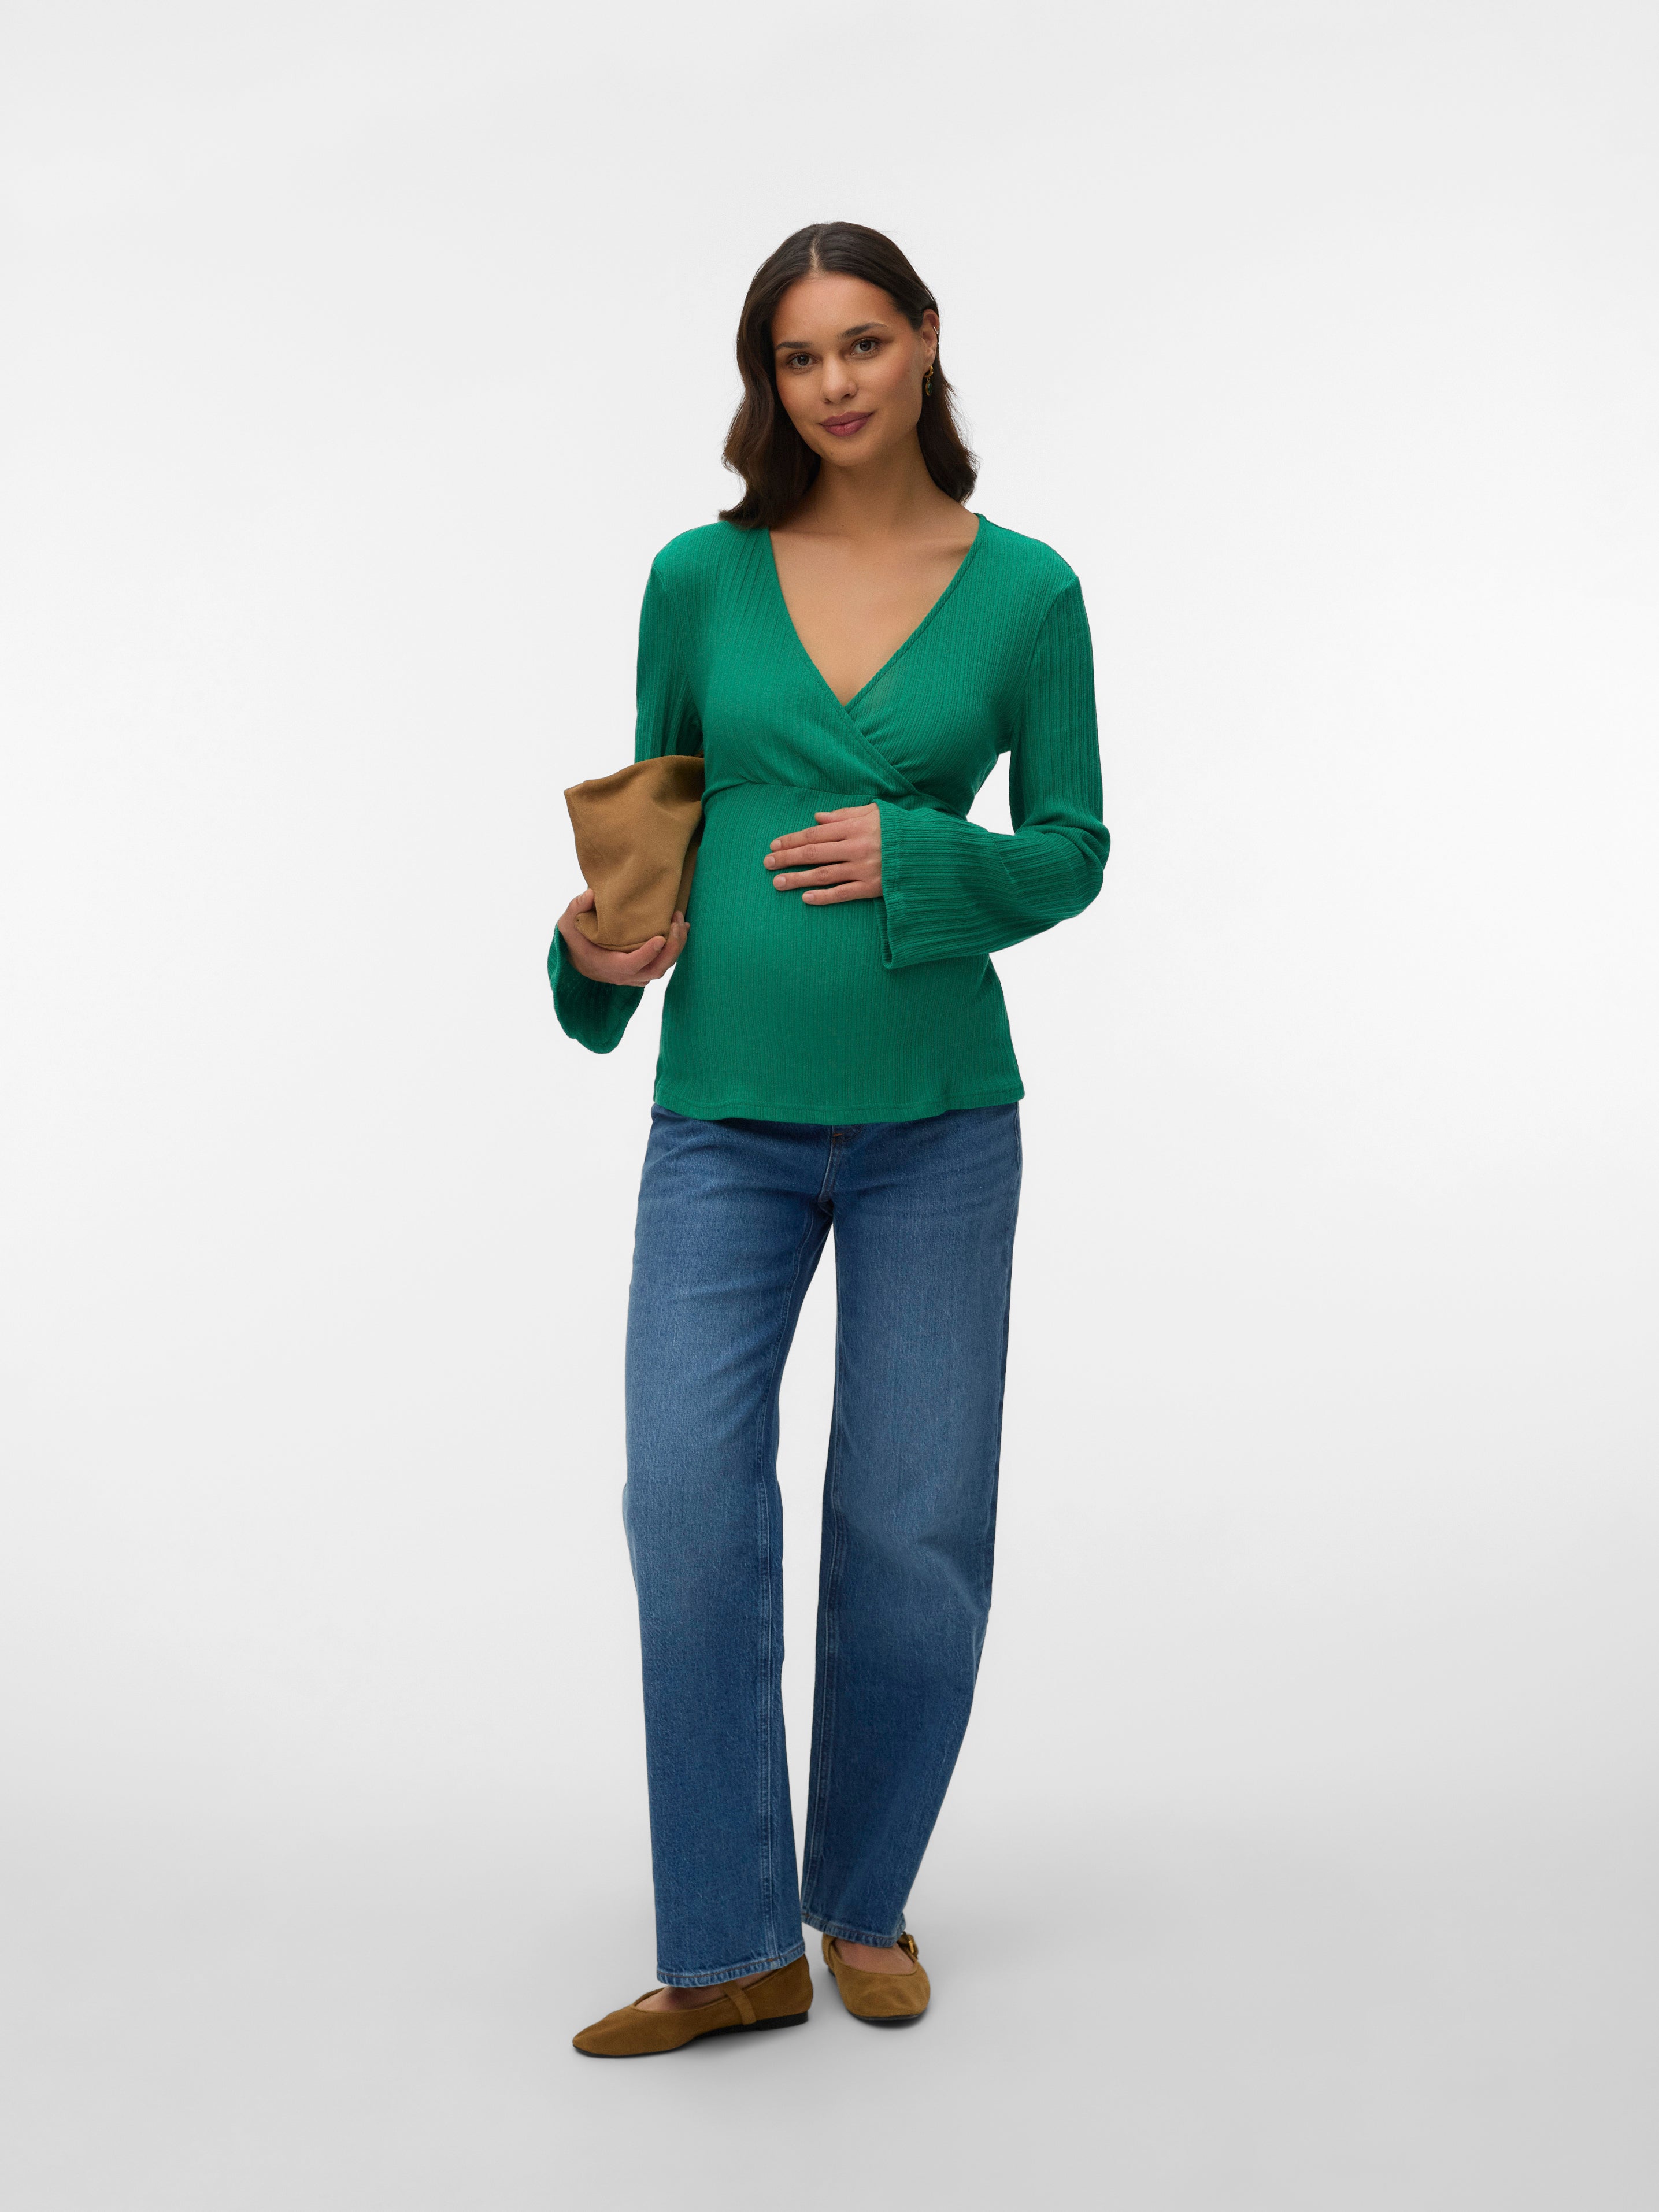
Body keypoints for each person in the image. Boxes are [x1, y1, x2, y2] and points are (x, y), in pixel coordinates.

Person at [551, 221, 1109, 2057]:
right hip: (722, 1117)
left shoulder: (1026, 592)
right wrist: (591, 960)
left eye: (864, 342)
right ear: (768, 381)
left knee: (916, 1525)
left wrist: (922, 851)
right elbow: (651, 818)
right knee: (685, 1502)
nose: (837, 383)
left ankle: (862, 1898)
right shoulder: (697, 578)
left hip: (941, 1123)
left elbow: (1076, 848)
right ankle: (730, 1946)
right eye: (800, 357)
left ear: (925, 341)